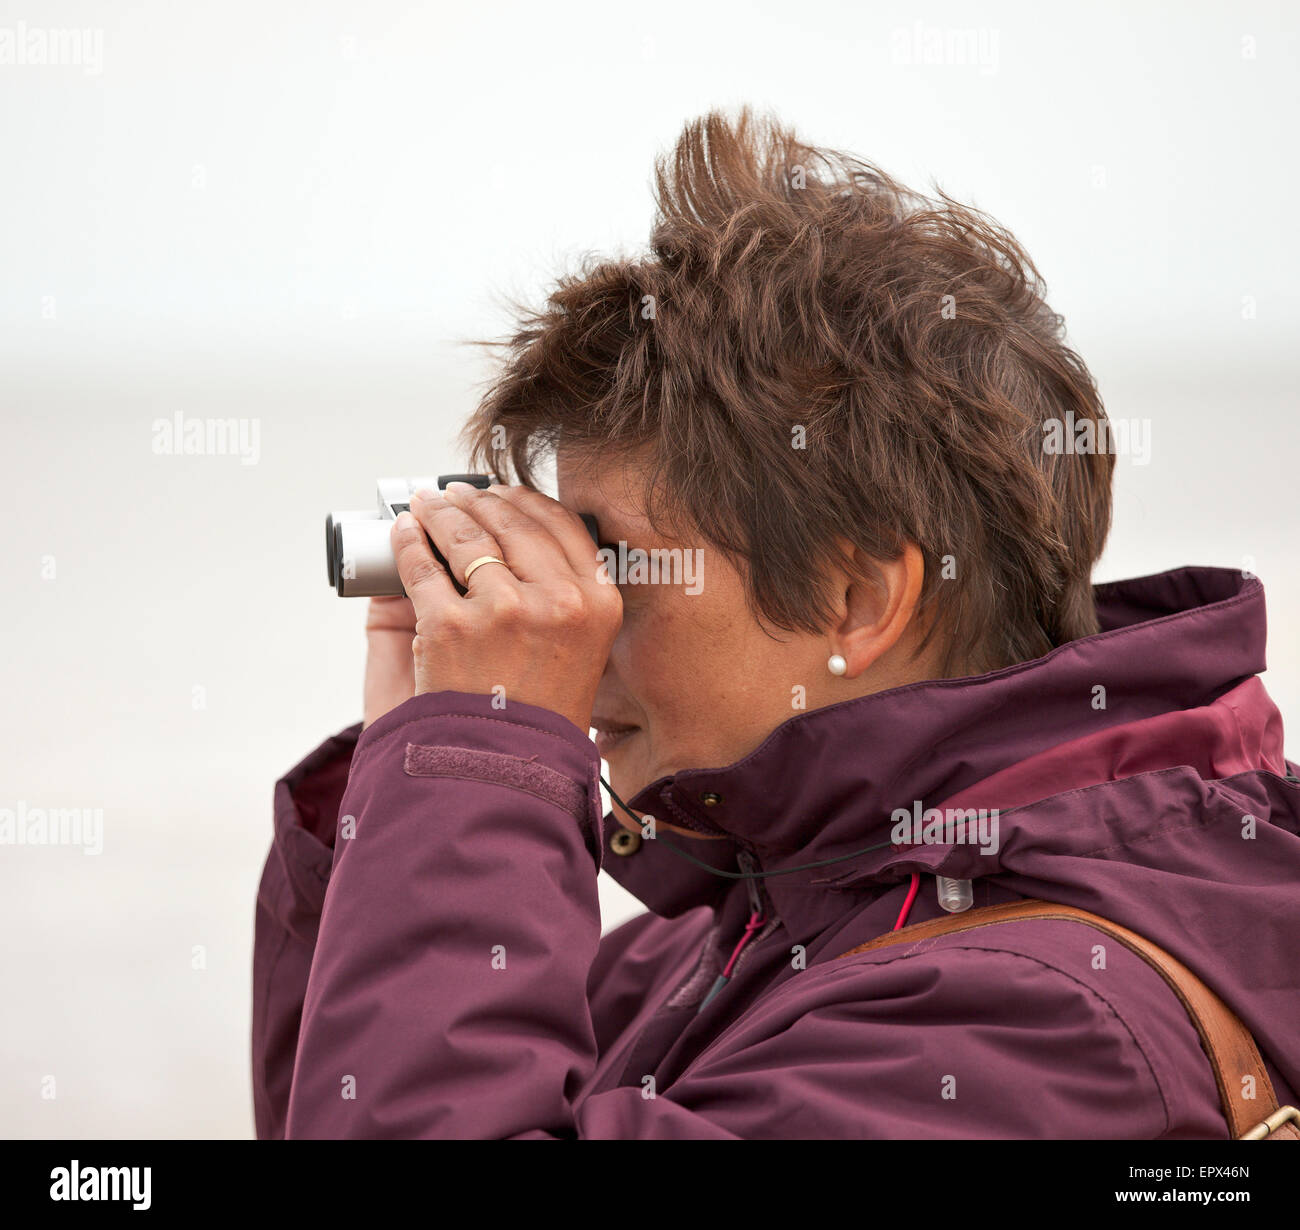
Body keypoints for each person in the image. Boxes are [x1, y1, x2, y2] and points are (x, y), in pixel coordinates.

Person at [253, 109, 1300, 1139]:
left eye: (617, 562)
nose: (574, 618)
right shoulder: (738, 951)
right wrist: (398, 785)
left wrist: (475, 763)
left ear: (858, 599)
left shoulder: (1028, 1027)